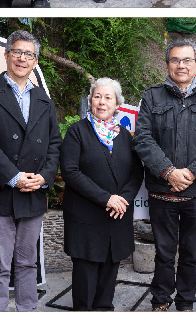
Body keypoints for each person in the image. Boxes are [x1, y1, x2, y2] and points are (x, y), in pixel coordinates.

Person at [133, 39, 196, 312]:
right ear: (167, 64)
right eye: (175, 60)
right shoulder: (152, 96)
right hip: (161, 190)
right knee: (164, 253)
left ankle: (186, 304)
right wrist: (168, 172)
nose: (181, 65)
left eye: (187, 60)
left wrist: (191, 172)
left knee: (190, 255)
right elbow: (143, 139)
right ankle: (160, 301)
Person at [0, 30, 62, 311]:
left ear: (35, 61)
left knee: (27, 261)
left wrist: (44, 176)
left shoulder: (43, 99)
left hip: (33, 192)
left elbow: (54, 144)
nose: (22, 58)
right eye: (17, 52)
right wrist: (14, 177)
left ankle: (27, 311)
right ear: (7, 55)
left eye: (29, 54)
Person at [61, 77, 143, 311]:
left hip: (117, 217)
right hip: (86, 218)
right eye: (97, 96)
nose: (102, 102)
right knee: (86, 278)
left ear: (118, 104)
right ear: (90, 101)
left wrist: (123, 199)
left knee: (109, 275)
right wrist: (107, 198)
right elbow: (70, 171)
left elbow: (137, 172)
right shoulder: (77, 132)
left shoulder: (125, 135)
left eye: (108, 97)